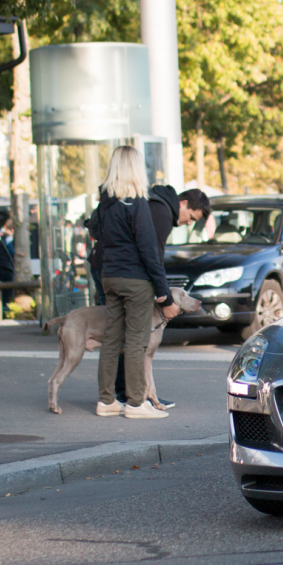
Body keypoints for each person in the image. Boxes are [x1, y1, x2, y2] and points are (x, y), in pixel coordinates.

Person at [94, 146, 180, 419]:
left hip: (109, 276)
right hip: (135, 280)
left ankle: (106, 401)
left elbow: (94, 230)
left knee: (111, 340)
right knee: (135, 342)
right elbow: (149, 251)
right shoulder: (137, 203)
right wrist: (164, 295)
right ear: (135, 169)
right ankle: (135, 404)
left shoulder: (104, 203)